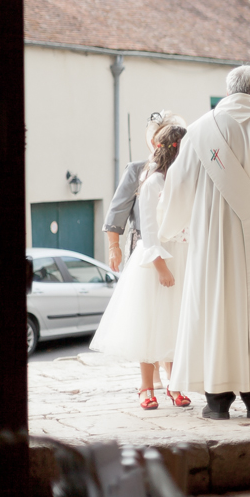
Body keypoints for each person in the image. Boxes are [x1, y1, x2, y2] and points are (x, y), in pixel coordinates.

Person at [159, 65, 250, 420]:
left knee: (216, 309)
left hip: (213, 239)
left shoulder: (199, 131)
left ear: (228, 91)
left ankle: (218, 399)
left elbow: (176, 188)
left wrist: (170, 226)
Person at [89, 122, 192, 409]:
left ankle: (176, 383)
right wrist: (160, 266)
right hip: (155, 260)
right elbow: (148, 228)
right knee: (152, 323)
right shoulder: (152, 183)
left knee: (174, 323)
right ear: (175, 149)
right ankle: (147, 386)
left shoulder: (182, 181)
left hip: (182, 256)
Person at [104, 111, 184, 271]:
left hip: (176, 245)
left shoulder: (184, 171)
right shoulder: (136, 170)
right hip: (143, 243)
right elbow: (116, 212)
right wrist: (114, 248)